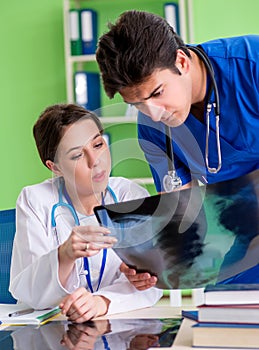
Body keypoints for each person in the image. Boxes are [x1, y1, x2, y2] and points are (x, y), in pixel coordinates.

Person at [9, 103, 162, 323]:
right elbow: (30, 293)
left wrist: (102, 301)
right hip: (52, 328)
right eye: (77, 155)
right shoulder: (35, 200)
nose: (95, 161)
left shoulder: (130, 195)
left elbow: (152, 285)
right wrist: (64, 255)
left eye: (98, 144)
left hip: (118, 322)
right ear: (55, 167)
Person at [96, 10, 259, 194]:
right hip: (232, 214)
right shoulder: (151, 128)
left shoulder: (252, 64)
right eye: (137, 104)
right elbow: (180, 208)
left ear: (181, 62)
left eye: (157, 93)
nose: (154, 115)